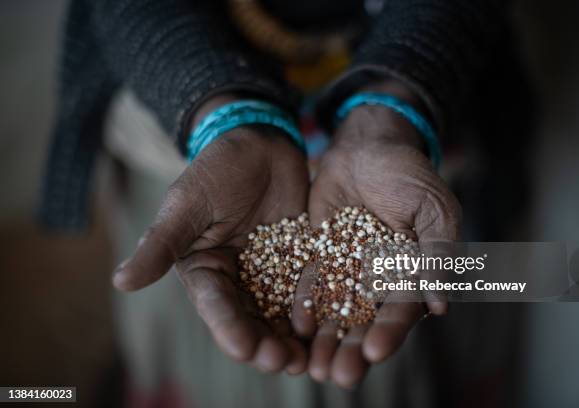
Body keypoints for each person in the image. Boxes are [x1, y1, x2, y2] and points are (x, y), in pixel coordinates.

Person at [40, 0, 525, 406]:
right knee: (199, 293)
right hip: (178, 118)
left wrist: (392, 106)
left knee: (414, 343)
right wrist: (224, 117)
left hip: (428, 115)